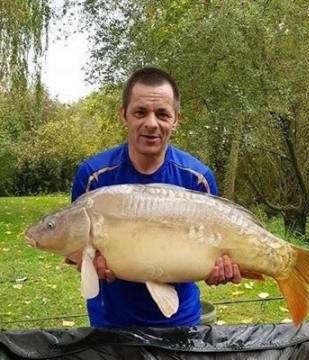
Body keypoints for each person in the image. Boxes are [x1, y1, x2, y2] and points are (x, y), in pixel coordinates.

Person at [68, 67, 241, 327]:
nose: (151, 123)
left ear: (176, 119)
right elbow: (78, 252)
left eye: (162, 114)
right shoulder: (93, 176)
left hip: (181, 319)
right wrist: (86, 263)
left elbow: (208, 254)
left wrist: (219, 270)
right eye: (140, 112)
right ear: (123, 115)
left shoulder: (198, 178)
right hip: (111, 321)